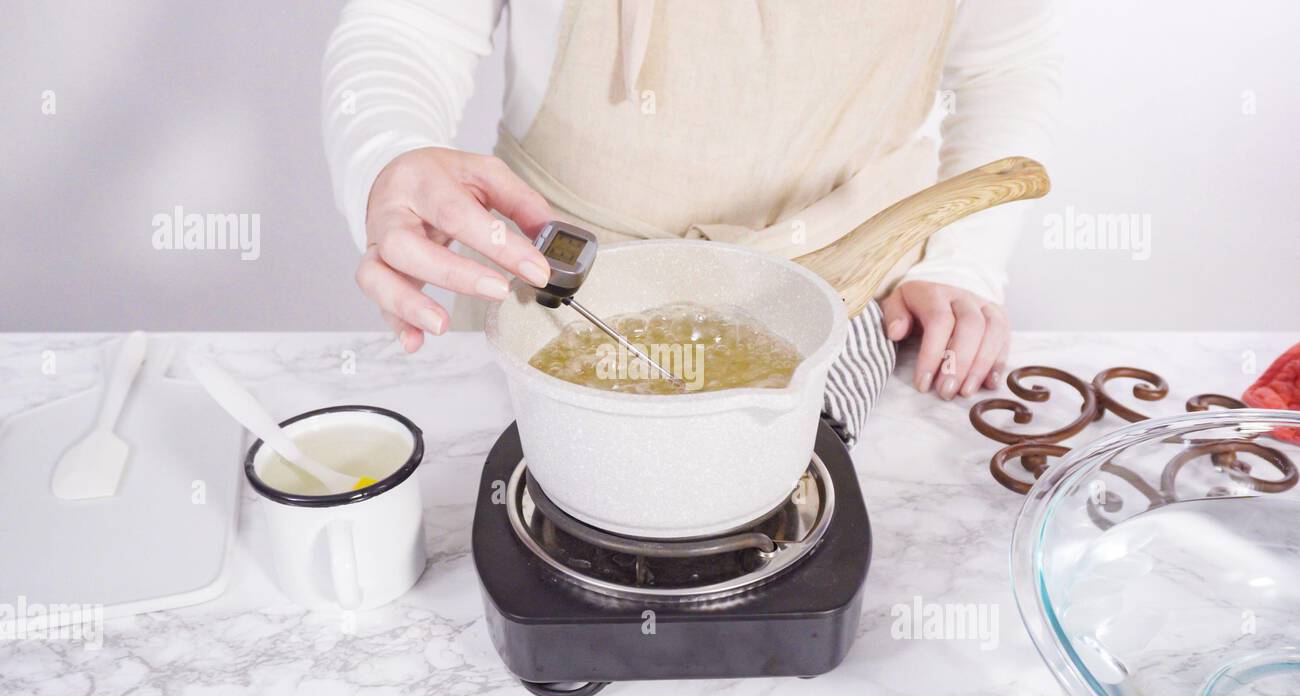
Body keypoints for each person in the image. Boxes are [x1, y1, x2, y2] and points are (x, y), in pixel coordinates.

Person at [323, 0, 1061, 445]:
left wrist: (962, 260)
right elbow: (411, 24)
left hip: (858, 292)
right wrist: (390, 156)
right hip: (552, 293)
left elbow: (1003, 65)